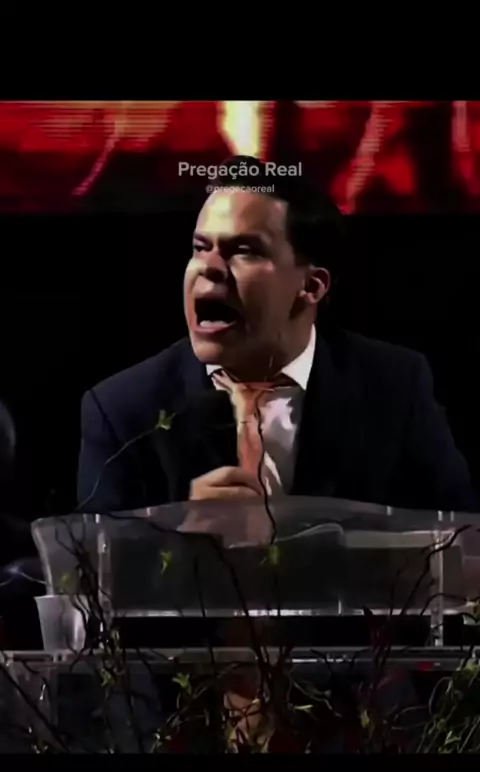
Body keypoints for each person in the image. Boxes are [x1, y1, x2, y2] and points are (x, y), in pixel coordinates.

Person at [77, 156, 478, 514]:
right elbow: (97, 567)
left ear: (312, 286)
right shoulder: (122, 409)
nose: (209, 267)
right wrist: (183, 542)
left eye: (244, 250)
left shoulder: (394, 387)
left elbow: (460, 540)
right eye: (200, 247)